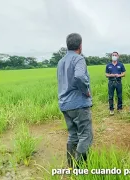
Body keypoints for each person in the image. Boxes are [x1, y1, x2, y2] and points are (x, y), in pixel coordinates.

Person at [57, 33, 93, 168]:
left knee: (73, 135)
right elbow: (79, 76)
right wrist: (86, 91)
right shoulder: (79, 59)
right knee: (85, 135)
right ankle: (80, 168)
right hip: (78, 103)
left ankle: (71, 165)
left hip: (65, 104)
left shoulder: (61, 61)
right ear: (80, 45)